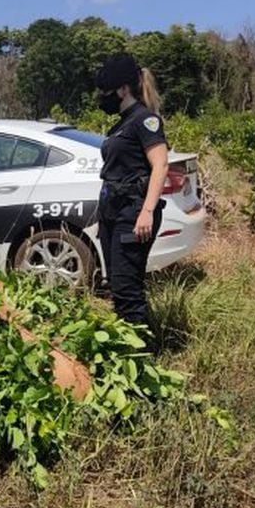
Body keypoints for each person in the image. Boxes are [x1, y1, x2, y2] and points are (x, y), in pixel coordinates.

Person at [94, 54, 168, 347]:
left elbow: (160, 166)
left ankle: (144, 360)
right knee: (117, 287)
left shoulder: (144, 120)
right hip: (115, 213)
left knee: (128, 291)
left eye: (107, 91)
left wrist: (147, 211)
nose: (103, 97)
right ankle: (128, 350)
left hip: (134, 212)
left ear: (123, 89)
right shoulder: (122, 123)